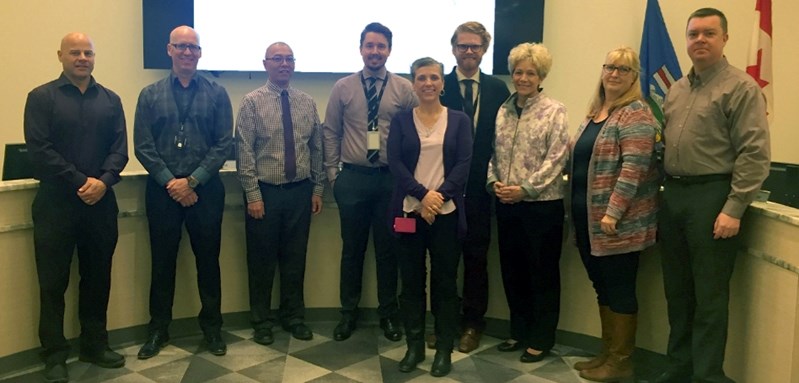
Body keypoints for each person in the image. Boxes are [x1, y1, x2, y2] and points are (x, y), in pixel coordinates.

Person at [655, 8, 770, 383]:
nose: (699, 40)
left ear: (724, 39)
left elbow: (754, 153)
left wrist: (734, 207)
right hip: (673, 195)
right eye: (693, 34)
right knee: (677, 294)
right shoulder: (676, 89)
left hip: (713, 197)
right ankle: (678, 370)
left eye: (708, 33)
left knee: (709, 299)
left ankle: (706, 376)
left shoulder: (741, 87)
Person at [23, 32, 128, 383]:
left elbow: (119, 150)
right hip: (56, 204)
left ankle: (94, 345)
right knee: (53, 283)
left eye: (88, 52)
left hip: (101, 203)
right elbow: (40, 150)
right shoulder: (41, 98)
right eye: (75, 52)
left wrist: (104, 180)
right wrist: (81, 181)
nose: (82, 57)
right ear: (60, 56)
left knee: (97, 278)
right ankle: (54, 355)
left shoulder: (111, 100)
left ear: (95, 57)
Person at [134, 25, 233, 359]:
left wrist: (192, 182)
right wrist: (171, 183)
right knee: (162, 264)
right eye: (181, 47)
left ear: (201, 53)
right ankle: (158, 330)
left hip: (205, 191)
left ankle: (213, 331)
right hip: (163, 193)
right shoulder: (149, 95)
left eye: (193, 48)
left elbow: (224, 144)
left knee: (209, 263)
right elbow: (143, 146)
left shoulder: (218, 93)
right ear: (169, 50)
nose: (188, 53)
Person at [323, 22, 417, 342]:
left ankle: (388, 315)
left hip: (390, 182)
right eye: (369, 45)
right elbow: (331, 132)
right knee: (352, 251)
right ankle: (348, 314)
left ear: (389, 50)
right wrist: (333, 175)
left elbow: (415, 136)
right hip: (353, 179)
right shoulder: (343, 87)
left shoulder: (404, 89)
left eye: (381, 46)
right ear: (360, 48)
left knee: (388, 251)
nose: (375, 51)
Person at [569, 46, 659, 382]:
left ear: (635, 77)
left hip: (617, 225)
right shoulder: (596, 112)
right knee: (601, 286)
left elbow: (633, 169)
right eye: (610, 67)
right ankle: (607, 353)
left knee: (619, 288)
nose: (615, 74)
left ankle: (621, 362)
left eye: (624, 69)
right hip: (589, 222)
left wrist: (613, 213)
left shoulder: (635, 114)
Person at [388, 57, 473, 377]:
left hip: (446, 214)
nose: (428, 83)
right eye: (421, 77)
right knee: (410, 284)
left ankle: (444, 350)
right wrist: (423, 196)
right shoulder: (401, 121)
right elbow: (395, 163)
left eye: (434, 77)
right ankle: (414, 347)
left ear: (442, 83)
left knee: (445, 284)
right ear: (413, 83)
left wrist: (439, 198)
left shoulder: (460, 120)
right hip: (410, 211)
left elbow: (464, 163)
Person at [236, 42, 325, 345]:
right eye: (277, 59)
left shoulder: (307, 102)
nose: (284, 64)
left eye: (289, 59)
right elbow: (244, 152)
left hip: (300, 192)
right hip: (265, 194)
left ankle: (294, 317)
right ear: (265, 64)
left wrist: (317, 188)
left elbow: (317, 149)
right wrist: (252, 194)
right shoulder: (251, 102)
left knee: (295, 260)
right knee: (261, 262)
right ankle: (262, 322)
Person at [486, 42, 569, 363]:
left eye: (530, 73)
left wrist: (526, 189)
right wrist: (494, 183)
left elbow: (557, 157)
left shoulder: (554, 110)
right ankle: (518, 331)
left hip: (541, 206)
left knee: (542, 273)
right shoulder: (504, 110)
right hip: (506, 203)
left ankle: (541, 337)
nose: (523, 78)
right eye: (518, 71)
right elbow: (493, 152)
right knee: (513, 271)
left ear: (541, 75)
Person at [438, 21, 510, 353]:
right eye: (463, 46)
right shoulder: (439, 85)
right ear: (453, 49)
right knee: (444, 260)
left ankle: (472, 325)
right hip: (443, 189)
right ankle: (445, 324)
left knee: (477, 261)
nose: (469, 52)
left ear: (484, 50)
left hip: (481, 191)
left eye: (476, 46)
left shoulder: (498, 90)